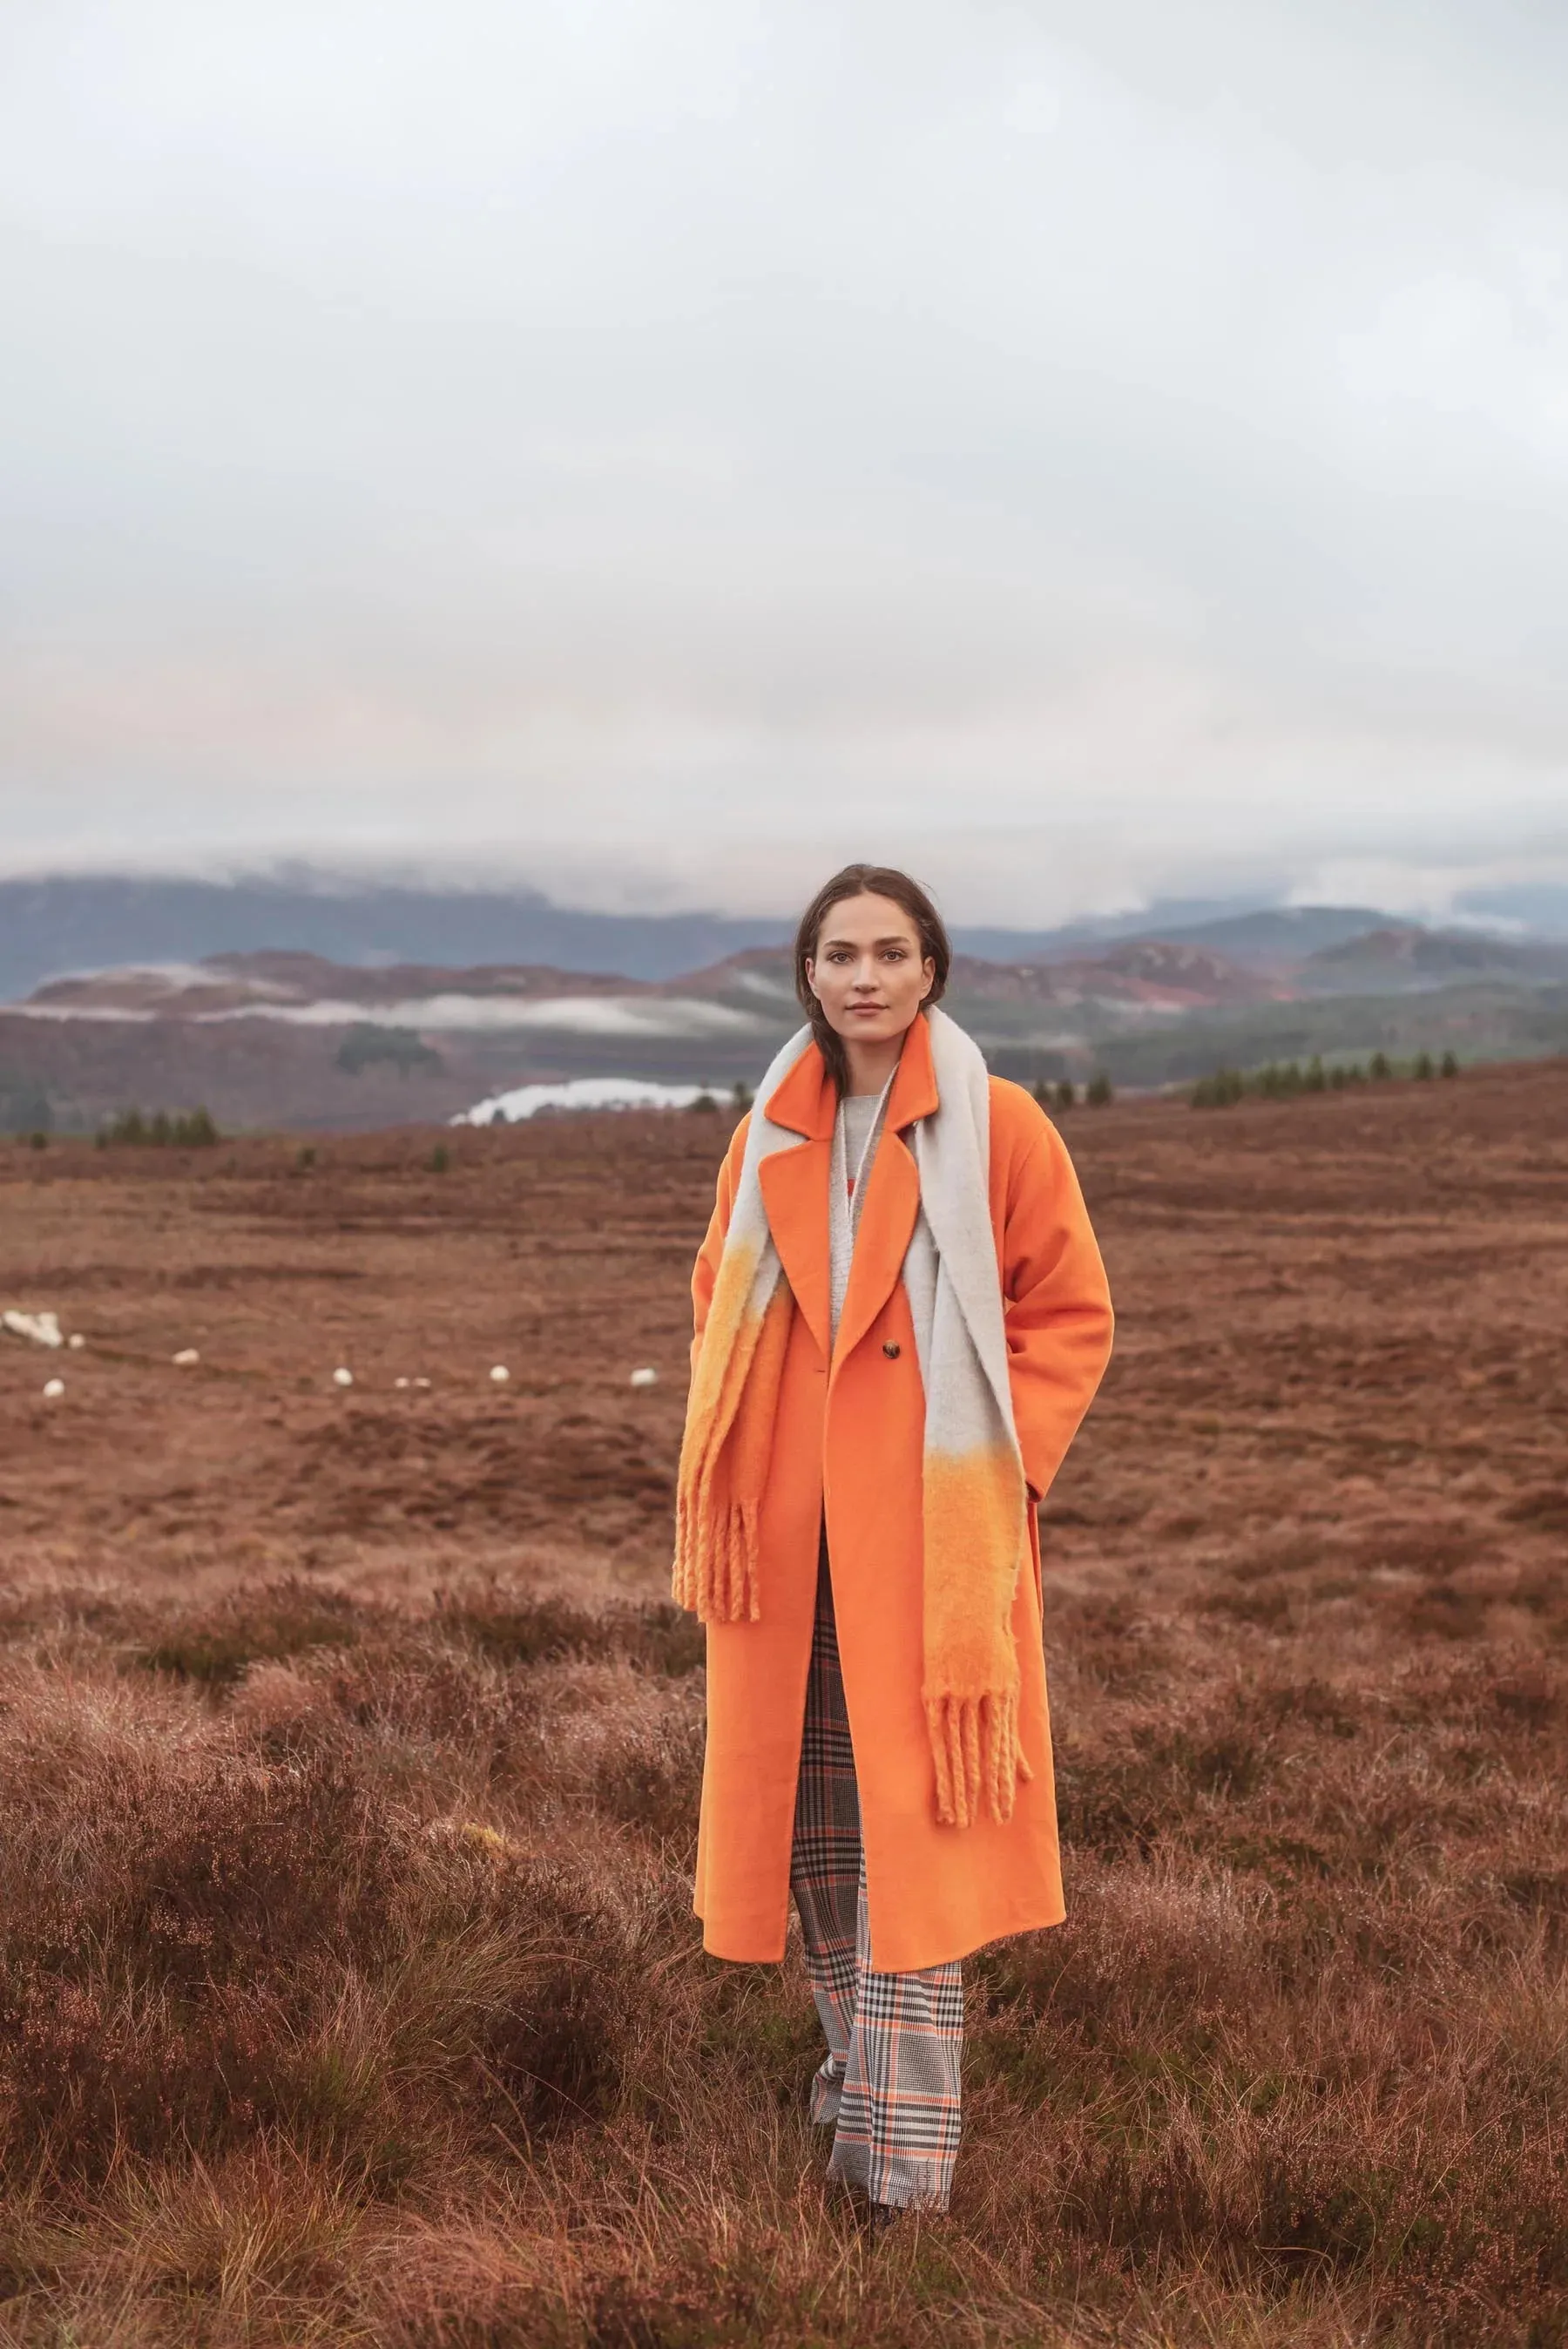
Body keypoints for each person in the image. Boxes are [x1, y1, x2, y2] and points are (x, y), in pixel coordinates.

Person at [674, 863, 1114, 2222]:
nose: (864, 976)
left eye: (891, 952)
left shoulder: (1005, 1128)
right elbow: (716, 1304)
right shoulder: (769, 1135)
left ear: (932, 971)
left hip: (924, 1545)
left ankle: (902, 2171)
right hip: (788, 1553)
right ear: (807, 974)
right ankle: (849, 2088)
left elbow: (1071, 1316)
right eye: (839, 953)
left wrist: (998, 1478)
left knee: (906, 1849)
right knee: (814, 1844)